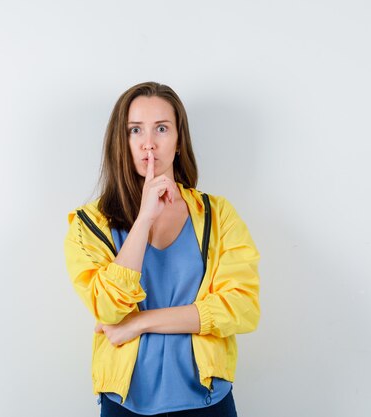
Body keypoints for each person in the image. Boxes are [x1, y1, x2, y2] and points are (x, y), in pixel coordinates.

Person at [64, 81, 260, 417]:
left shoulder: (218, 214)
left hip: (207, 401)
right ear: (120, 141)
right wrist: (143, 220)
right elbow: (109, 310)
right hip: (125, 404)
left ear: (179, 140)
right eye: (135, 130)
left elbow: (241, 308)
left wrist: (140, 322)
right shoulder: (88, 224)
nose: (149, 144)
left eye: (162, 129)